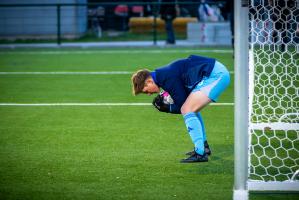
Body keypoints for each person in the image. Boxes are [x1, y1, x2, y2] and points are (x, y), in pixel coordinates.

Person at [131, 55, 230, 163]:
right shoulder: (163, 76)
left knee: (188, 109)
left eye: (145, 91)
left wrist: (168, 108)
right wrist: (169, 107)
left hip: (215, 75)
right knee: (191, 109)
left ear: (149, 82)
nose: (149, 94)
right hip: (214, 72)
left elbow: (183, 106)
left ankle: (200, 153)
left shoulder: (166, 77)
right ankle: (203, 148)